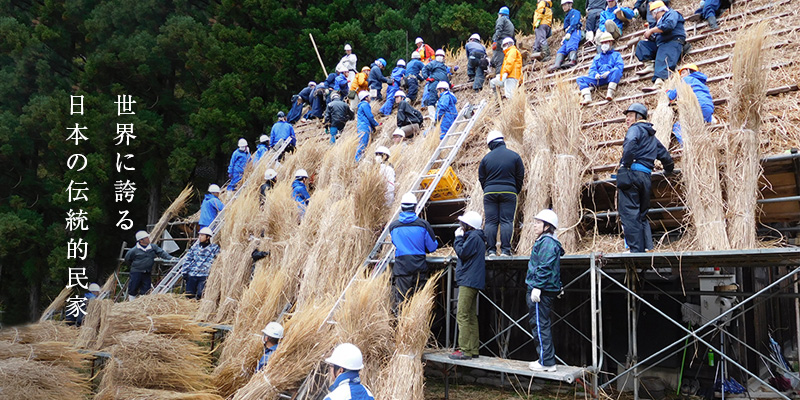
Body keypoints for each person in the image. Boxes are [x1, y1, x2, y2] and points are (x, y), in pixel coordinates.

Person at [617, 103, 674, 252]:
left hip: (632, 175)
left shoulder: (635, 129)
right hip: (645, 178)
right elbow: (665, 157)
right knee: (642, 215)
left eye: (629, 116)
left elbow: (630, 143)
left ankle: (635, 251)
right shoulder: (652, 137)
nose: (627, 119)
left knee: (630, 214)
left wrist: (625, 165)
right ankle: (646, 247)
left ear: (638, 117)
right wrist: (669, 169)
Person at [526, 209, 564, 373]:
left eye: (538, 223)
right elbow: (554, 267)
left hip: (541, 290)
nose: (534, 225)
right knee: (541, 324)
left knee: (540, 325)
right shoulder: (546, 241)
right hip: (545, 288)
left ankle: (546, 362)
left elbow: (545, 266)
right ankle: (545, 359)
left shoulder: (547, 242)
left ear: (548, 226)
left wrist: (537, 287)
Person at [479, 131, 525, 257]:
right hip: (509, 191)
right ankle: (505, 251)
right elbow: (520, 176)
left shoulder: (486, 159)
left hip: (490, 192)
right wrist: (515, 190)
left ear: (491, 144)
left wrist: (488, 189)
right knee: (506, 221)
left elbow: (481, 177)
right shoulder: (514, 156)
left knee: (490, 222)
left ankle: (491, 251)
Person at [449, 211, 487, 360]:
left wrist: (457, 239)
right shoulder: (477, 237)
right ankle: (473, 349)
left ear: (468, 226)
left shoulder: (473, 238)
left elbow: (462, 253)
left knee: (462, 314)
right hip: (473, 280)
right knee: (471, 315)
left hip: (468, 281)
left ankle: (465, 350)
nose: (460, 226)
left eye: (463, 224)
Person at [388, 192, 438, 305]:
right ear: (415, 207)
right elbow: (433, 247)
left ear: (401, 207)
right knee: (419, 302)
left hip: (401, 269)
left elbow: (394, 242)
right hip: (419, 268)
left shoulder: (393, 226)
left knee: (401, 303)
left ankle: (402, 323)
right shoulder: (423, 225)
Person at [635, 1, 686, 91]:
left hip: (672, 41)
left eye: (653, 14)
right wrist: (651, 36)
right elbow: (657, 36)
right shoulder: (658, 23)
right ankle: (650, 65)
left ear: (656, 12)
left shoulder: (671, 13)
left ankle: (659, 82)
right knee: (642, 45)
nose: (653, 17)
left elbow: (669, 26)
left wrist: (652, 30)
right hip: (661, 43)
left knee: (663, 57)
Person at [124, 230, 175, 300]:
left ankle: (142, 303)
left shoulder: (153, 247)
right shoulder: (133, 251)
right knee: (133, 288)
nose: (148, 239)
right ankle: (131, 303)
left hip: (147, 272)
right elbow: (127, 259)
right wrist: (136, 266)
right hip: (136, 272)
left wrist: (170, 258)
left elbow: (162, 253)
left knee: (146, 289)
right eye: (146, 238)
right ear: (141, 241)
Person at [577, 32, 624, 105]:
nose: (604, 44)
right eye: (603, 43)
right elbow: (592, 69)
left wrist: (609, 72)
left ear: (611, 43)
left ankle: (610, 92)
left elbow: (619, 66)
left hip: (610, 77)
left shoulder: (616, 55)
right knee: (580, 79)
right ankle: (587, 97)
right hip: (598, 79)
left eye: (606, 42)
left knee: (616, 71)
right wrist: (595, 74)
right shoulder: (597, 57)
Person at [182, 227, 220, 300]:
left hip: (204, 275)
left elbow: (218, 259)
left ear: (208, 237)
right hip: (192, 274)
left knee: (201, 294)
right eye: (199, 235)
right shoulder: (194, 248)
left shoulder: (214, 248)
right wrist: (185, 272)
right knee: (189, 294)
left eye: (202, 235)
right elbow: (187, 259)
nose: (200, 237)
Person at [549, 0, 582, 72]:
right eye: (563, 5)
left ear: (570, 4)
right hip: (568, 34)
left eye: (565, 5)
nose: (563, 7)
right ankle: (557, 64)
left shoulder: (575, 12)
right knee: (562, 49)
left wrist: (569, 32)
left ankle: (572, 60)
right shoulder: (566, 16)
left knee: (571, 44)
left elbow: (574, 23)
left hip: (575, 31)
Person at [421, 49, 450, 119]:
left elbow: (445, 76)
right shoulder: (433, 63)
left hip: (442, 85)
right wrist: (427, 78)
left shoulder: (444, 66)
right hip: (435, 84)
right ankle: (433, 118)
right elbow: (424, 69)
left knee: (439, 101)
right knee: (432, 101)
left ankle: (438, 116)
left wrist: (449, 84)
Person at [355, 91, 380, 162]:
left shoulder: (361, 105)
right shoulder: (365, 105)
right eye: (369, 96)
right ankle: (358, 160)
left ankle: (360, 159)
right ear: (365, 98)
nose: (370, 98)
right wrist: (376, 124)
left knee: (363, 143)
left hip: (362, 126)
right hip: (364, 127)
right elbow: (370, 116)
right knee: (363, 143)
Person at [492, 6, 515, 75]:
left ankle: (499, 77)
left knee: (499, 61)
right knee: (504, 60)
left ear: (501, 14)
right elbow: (513, 37)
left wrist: (495, 40)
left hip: (500, 43)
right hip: (509, 45)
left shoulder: (501, 19)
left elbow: (499, 29)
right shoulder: (510, 23)